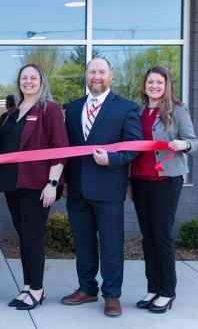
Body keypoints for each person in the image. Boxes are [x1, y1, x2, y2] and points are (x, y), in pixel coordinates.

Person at [61, 57, 142, 317]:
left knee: (111, 244)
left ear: (111, 75)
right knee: (83, 243)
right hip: (78, 189)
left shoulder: (126, 108)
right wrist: (63, 181)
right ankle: (87, 288)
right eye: (92, 72)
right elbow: (67, 149)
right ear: (86, 75)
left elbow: (134, 145)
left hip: (108, 188)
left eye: (102, 72)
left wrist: (113, 159)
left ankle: (112, 295)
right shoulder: (72, 108)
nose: (96, 76)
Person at [0, 64, 68, 310]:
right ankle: (28, 285)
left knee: (33, 237)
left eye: (33, 78)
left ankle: (38, 289)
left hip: (37, 185)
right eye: (24, 78)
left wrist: (52, 183)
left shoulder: (50, 110)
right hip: (12, 184)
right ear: (19, 82)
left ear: (41, 81)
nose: (28, 81)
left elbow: (60, 148)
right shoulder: (11, 113)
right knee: (23, 238)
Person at [130, 66, 198, 314]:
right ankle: (153, 288)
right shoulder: (137, 111)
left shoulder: (177, 110)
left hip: (166, 180)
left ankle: (167, 291)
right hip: (139, 180)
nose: (154, 86)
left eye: (159, 82)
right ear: (144, 85)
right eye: (150, 82)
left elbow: (194, 142)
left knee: (161, 236)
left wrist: (183, 144)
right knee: (147, 237)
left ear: (166, 84)